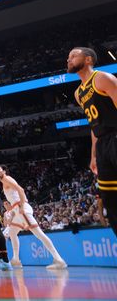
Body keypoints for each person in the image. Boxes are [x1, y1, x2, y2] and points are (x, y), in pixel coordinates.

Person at [68, 47, 117, 235]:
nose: (69, 59)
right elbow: (93, 125)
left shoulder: (102, 78)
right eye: (68, 57)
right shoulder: (79, 93)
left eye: (74, 55)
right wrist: (93, 155)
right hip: (103, 146)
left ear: (88, 59)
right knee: (110, 200)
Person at [0, 165, 67, 269]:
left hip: (21, 208)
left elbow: (21, 190)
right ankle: (16, 259)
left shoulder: (7, 179)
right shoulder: (3, 182)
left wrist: (22, 206)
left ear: (4, 171)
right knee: (12, 232)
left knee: (39, 234)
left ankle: (58, 259)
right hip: (16, 210)